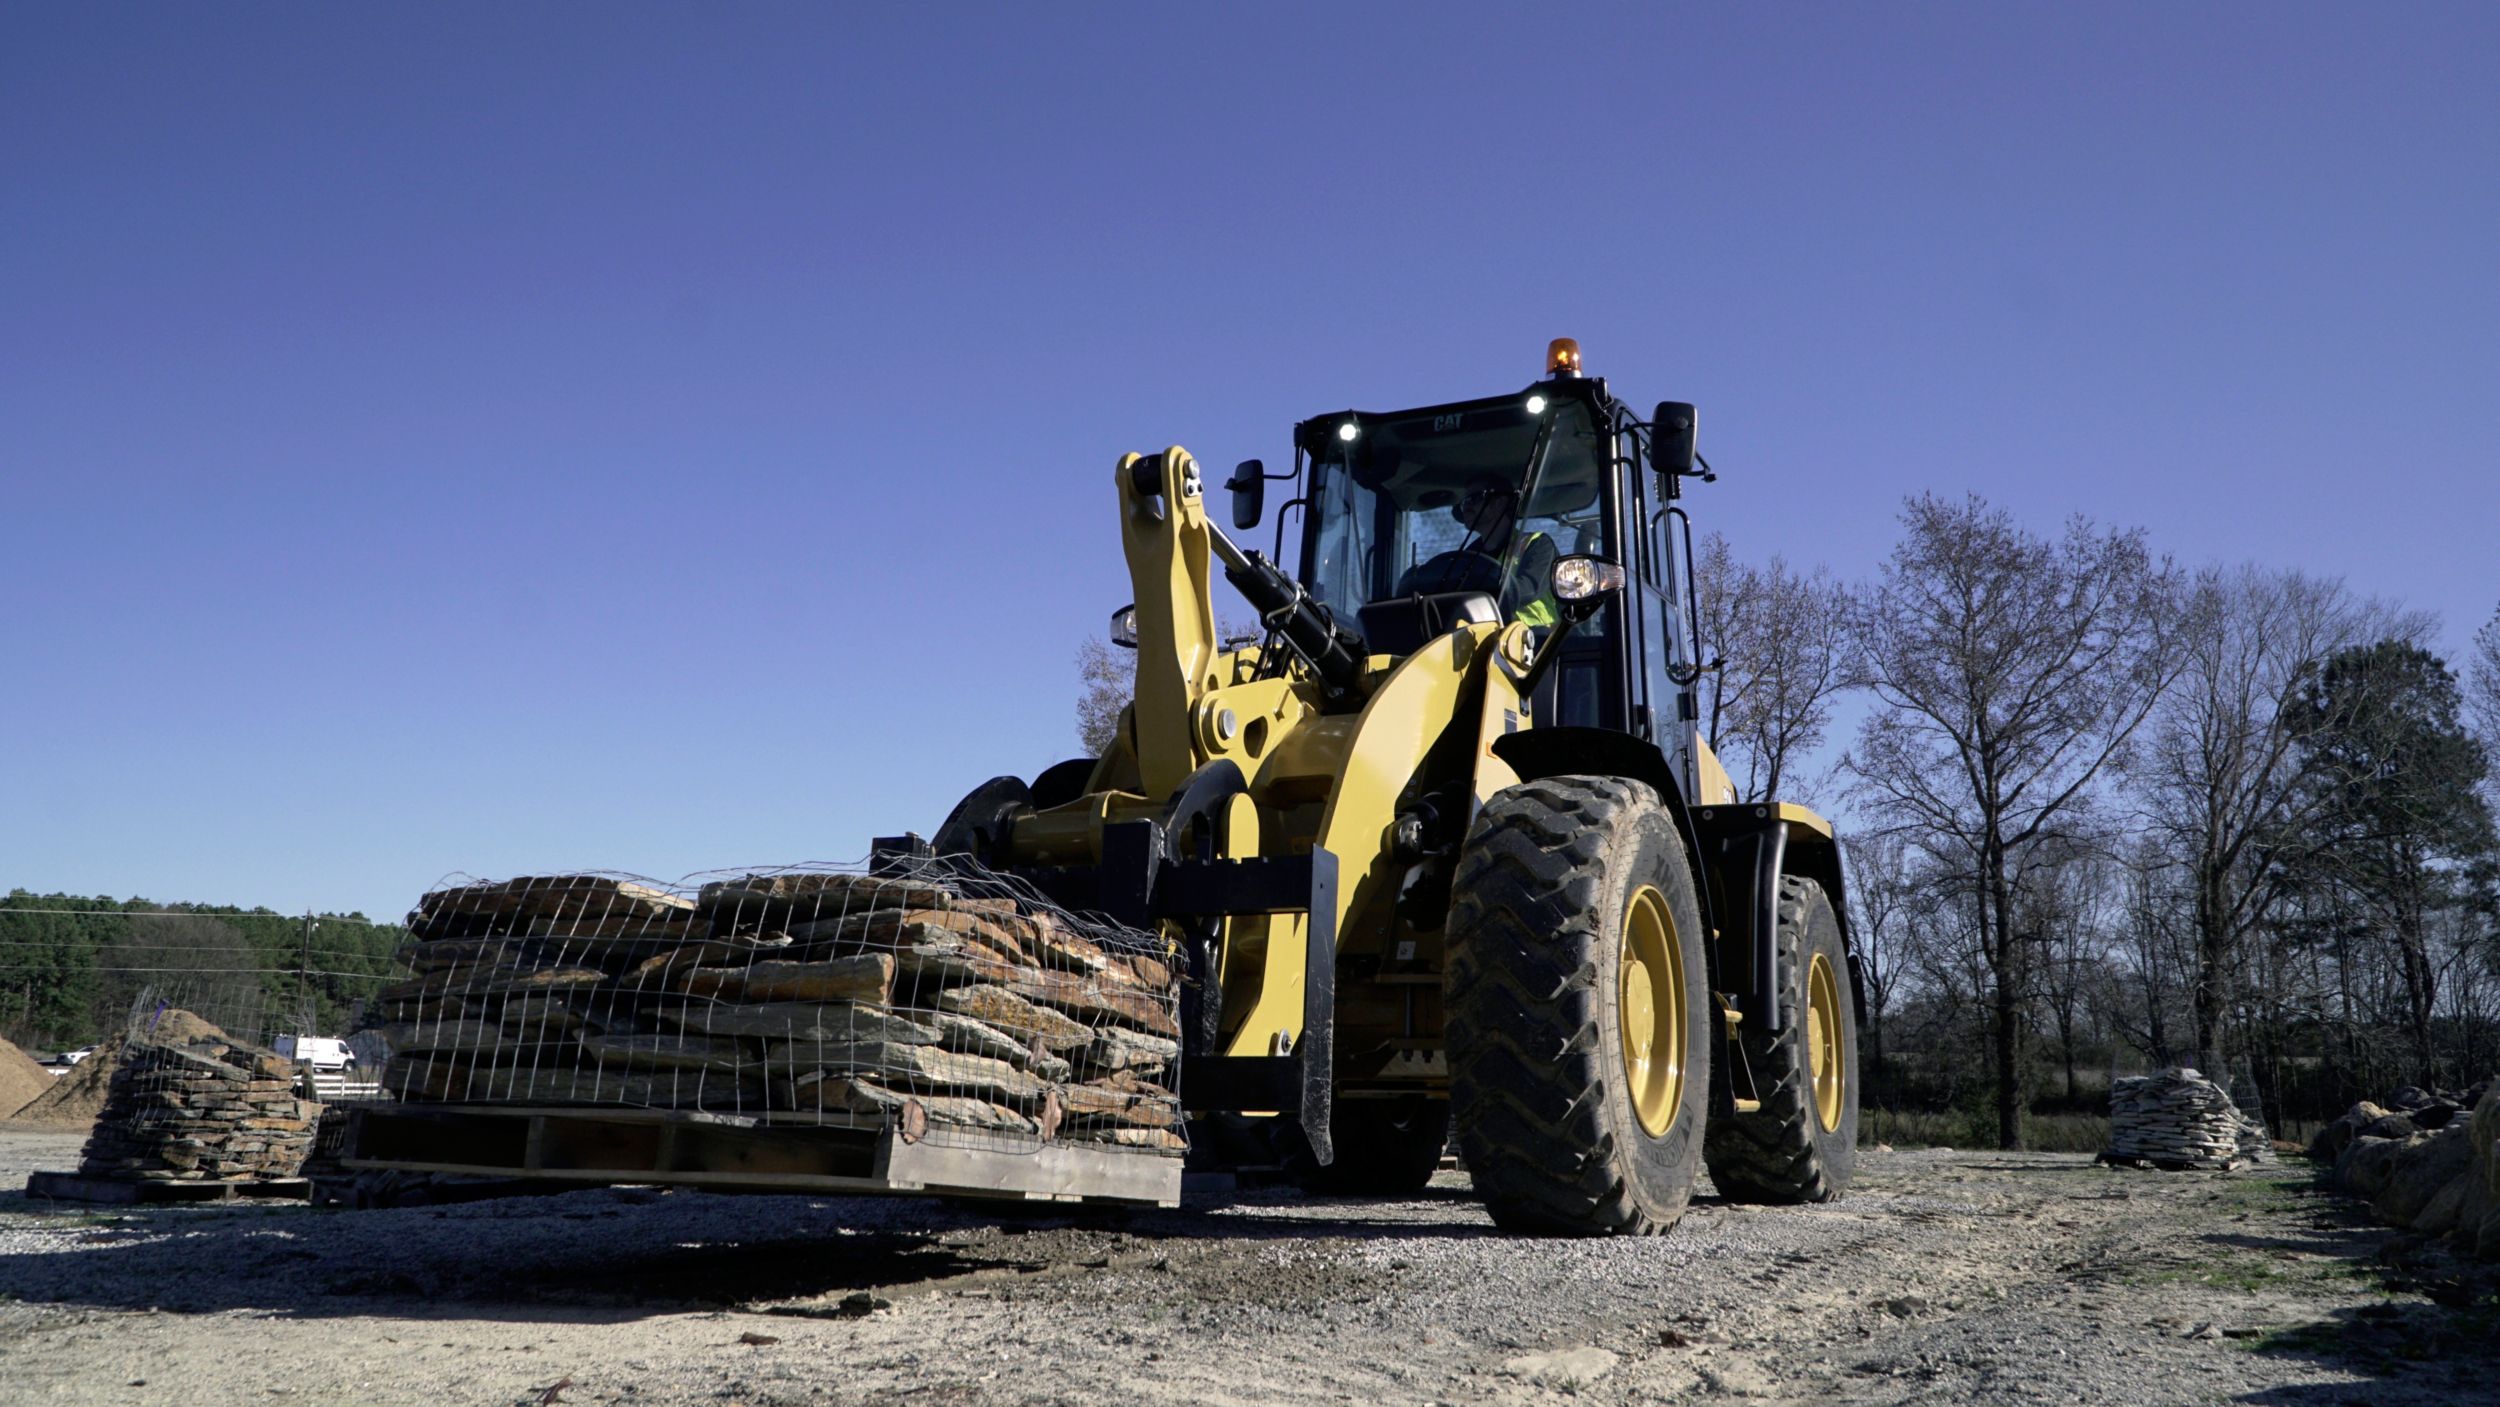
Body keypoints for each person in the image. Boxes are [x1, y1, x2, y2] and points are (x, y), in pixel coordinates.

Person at [1397, 477, 1559, 627]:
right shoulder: (1467, 558)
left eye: (1474, 498)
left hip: (1536, 644)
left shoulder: (1537, 544)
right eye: (1464, 502)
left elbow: (1528, 590)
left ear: (1500, 503)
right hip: (1483, 641)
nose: (1466, 506)